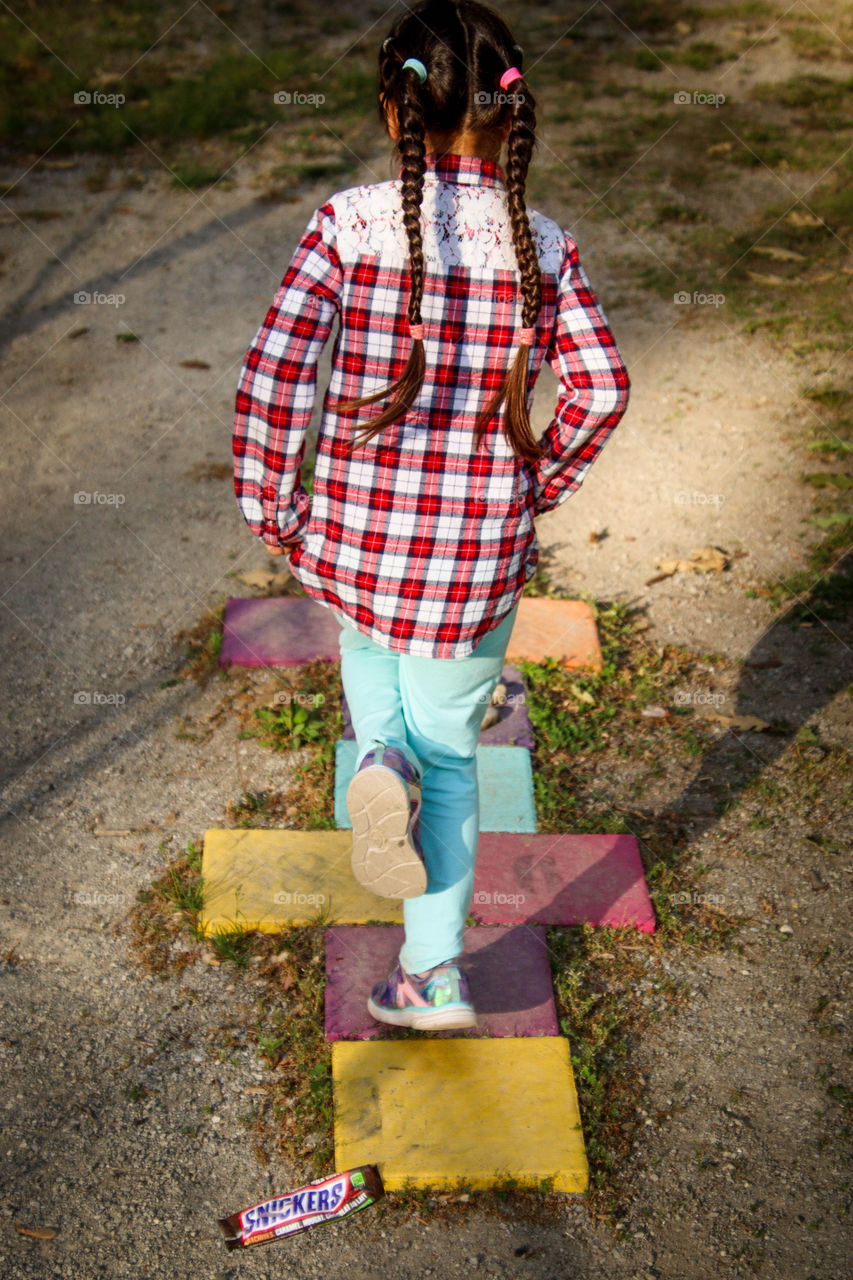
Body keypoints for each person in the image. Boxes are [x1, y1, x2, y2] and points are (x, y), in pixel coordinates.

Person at [232, 0, 630, 1031]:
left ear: (393, 107)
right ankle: (432, 977)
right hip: (471, 565)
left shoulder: (347, 224)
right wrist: (533, 489)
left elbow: (275, 373)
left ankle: (379, 761)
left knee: (368, 648)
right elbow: (601, 388)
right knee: (456, 762)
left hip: (357, 542)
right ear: (513, 113)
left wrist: (274, 506)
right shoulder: (544, 247)